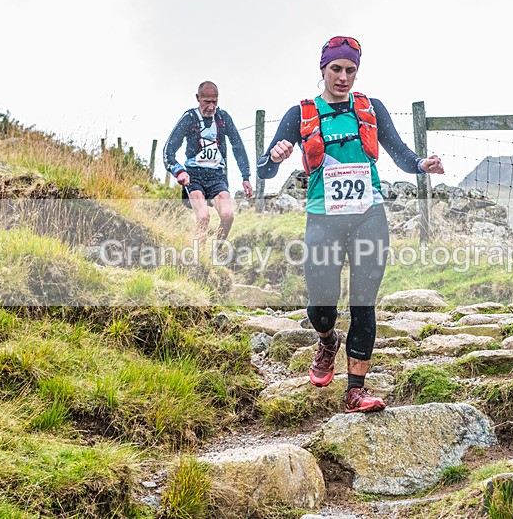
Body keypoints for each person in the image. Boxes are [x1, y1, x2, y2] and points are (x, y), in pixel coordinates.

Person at [257, 36, 444, 413]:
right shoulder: (301, 114)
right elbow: (264, 168)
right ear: (323, 69)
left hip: (368, 215)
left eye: (350, 70)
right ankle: (327, 340)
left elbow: (402, 154)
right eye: (336, 70)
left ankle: (355, 390)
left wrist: (422, 164)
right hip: (323, 217)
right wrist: (275, 157)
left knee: (364, 303)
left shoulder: (370, 109)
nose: (343, 78)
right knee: (321, 306)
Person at [163, 81, 253, 242]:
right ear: (198, 98)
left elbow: (237, 145)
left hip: (217, 176)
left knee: (228, 216)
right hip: (194, 176)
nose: (211, 107)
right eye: (206, 102)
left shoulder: (223, 118)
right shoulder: (189, 118)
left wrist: (245, 176)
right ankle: (197, 257)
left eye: (214, 102)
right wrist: (179, 171)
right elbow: (168, 150)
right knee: (203, 217)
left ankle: (215, 253)